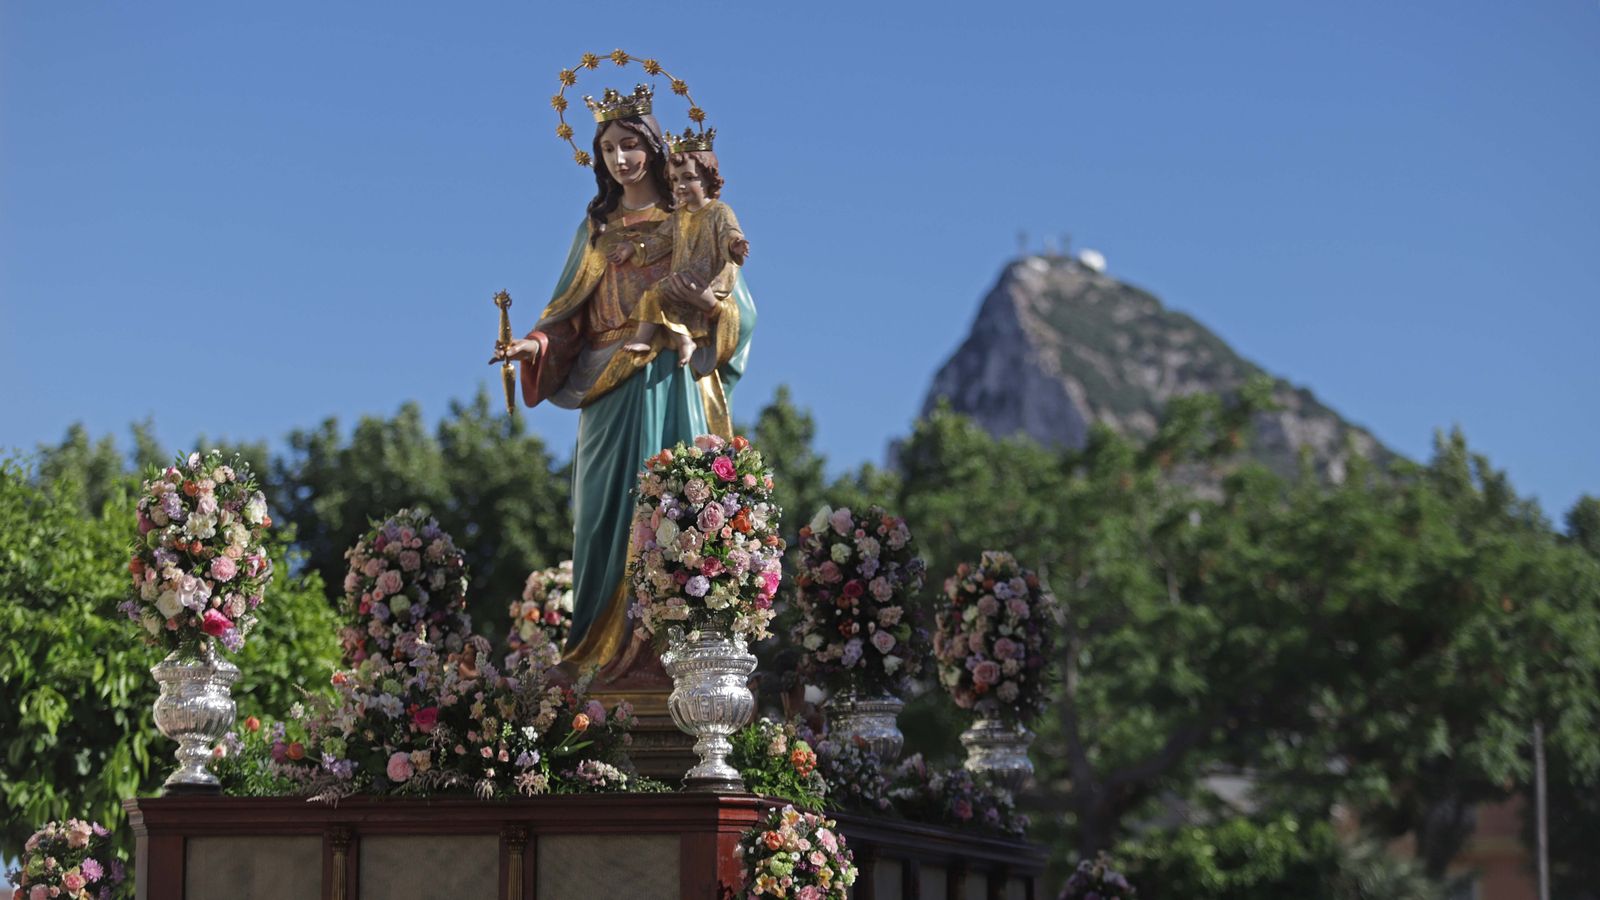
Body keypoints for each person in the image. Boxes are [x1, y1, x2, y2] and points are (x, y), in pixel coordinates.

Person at [492, 87, 756, 675]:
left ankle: (675, 653)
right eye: (609, 149)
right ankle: (594, 652)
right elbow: (568, 316)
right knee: (600, 517)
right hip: (606, 383)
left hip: (669, 375)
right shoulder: (596, 229)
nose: (620, 159)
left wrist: (706, 304)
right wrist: (533, 345)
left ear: (654, 149)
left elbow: (738, 303)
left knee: (673, 504)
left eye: (630, 145)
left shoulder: (690, 219)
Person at [620, 136, 749, 369]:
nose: (680, 185)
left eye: (688, 178)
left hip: (706, 281)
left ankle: (663, 339)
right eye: (674, 179)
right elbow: (661, 239)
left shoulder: (719, 211)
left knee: (665, 295)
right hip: (682, 277)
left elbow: (728, 232)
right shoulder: (679, 216)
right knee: (658, 296)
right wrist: (634, 247)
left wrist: (734, 245)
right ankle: (673, 340)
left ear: (708, 179)